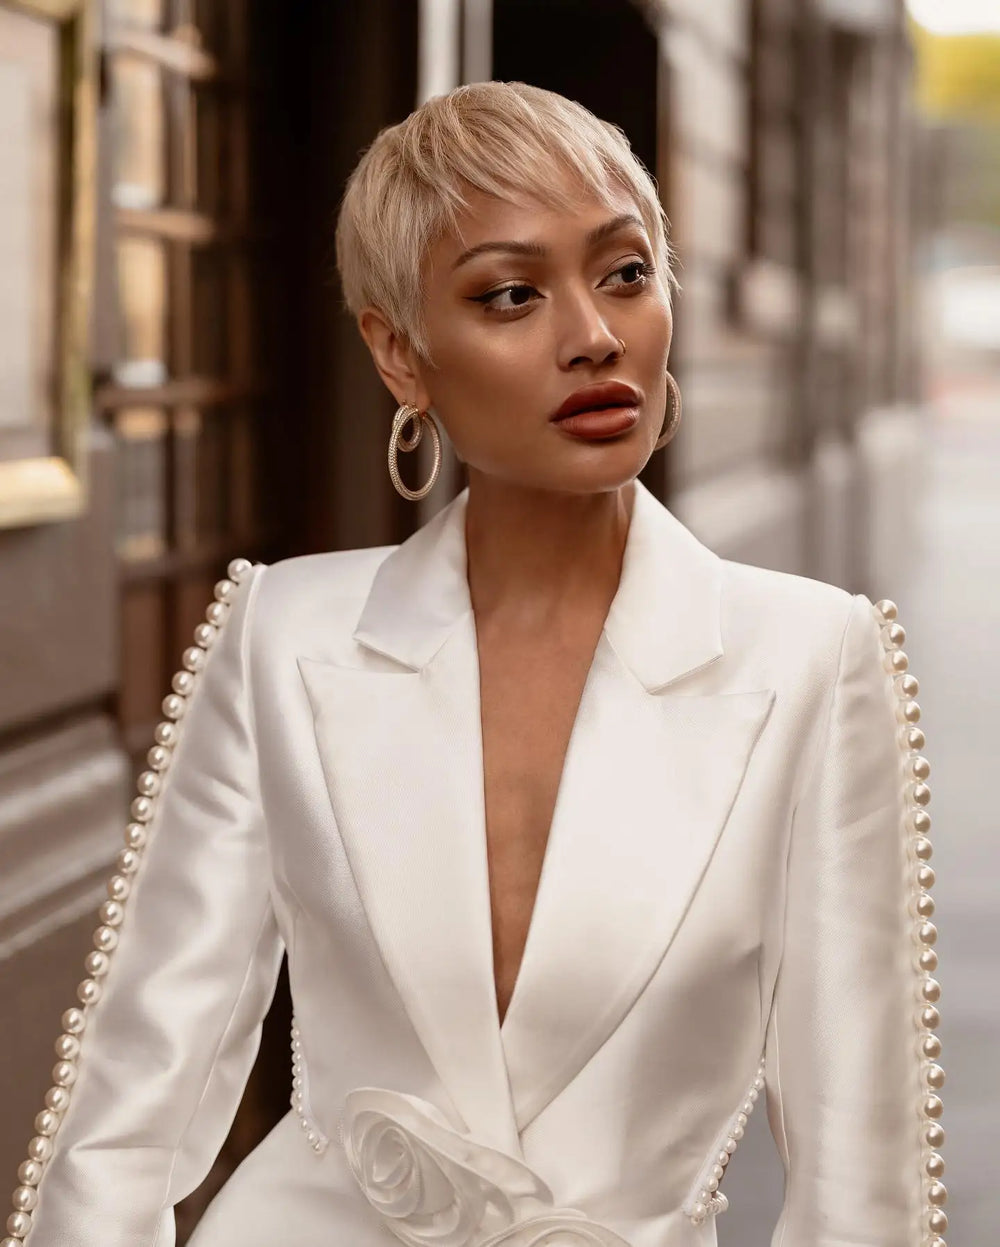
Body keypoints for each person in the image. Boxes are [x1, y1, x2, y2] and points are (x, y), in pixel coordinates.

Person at [6, 81, 946, 1247]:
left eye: (624, 272)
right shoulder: (280, 635)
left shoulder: (813, 659)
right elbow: (130, 1105)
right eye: (511, 293)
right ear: (401, 353)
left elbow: (865, 1174)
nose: (593, 334)